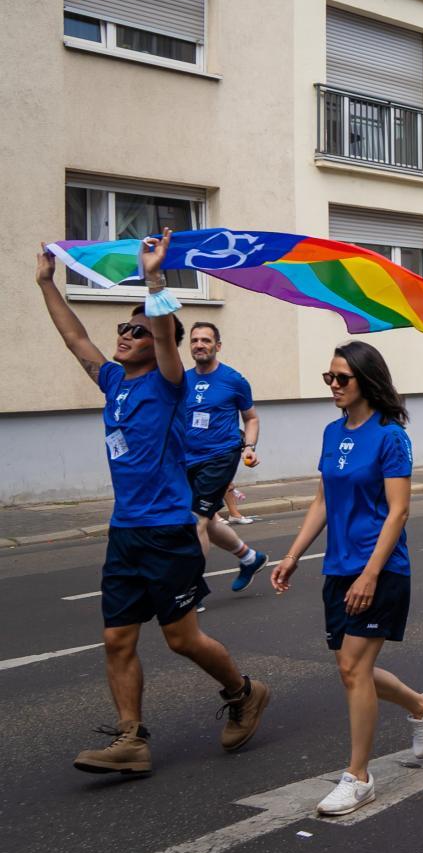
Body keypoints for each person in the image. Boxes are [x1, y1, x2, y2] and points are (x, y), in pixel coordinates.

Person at [37, 233, 270, 777]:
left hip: (167, 527)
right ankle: (130, 739)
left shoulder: (170, 383)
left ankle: (244, 692)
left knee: (181, 638)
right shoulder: (113, 378)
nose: (125, 334)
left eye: (136, 330)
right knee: (117, 638)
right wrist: (47, 282)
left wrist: (156, 281)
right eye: (122, 327)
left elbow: (167, 332)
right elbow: (74, 337)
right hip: (126, 530)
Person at [269, 343, 423, 816]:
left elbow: (399, 510)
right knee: (352, 668)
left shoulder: (390, 436)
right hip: (338, 568)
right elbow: (322, 501)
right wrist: (292, 556)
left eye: (342, 378)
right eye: (329, 378)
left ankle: (358, 777)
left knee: (352, 668)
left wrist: (369, 574)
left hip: (380, 570)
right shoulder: (331, 433)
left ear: (366, 379)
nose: (334, 386)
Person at [181, 322, 268, 593]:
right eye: (195, 340)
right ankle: (249, 558)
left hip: (220, 457)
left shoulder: (234, 380)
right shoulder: (182, 379)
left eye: (206, 340)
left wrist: (249, 446)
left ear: (217, 346)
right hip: (186, 459)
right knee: (210, 518)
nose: (199, 345)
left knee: (196, 521)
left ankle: (189, 590)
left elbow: (251, 418)